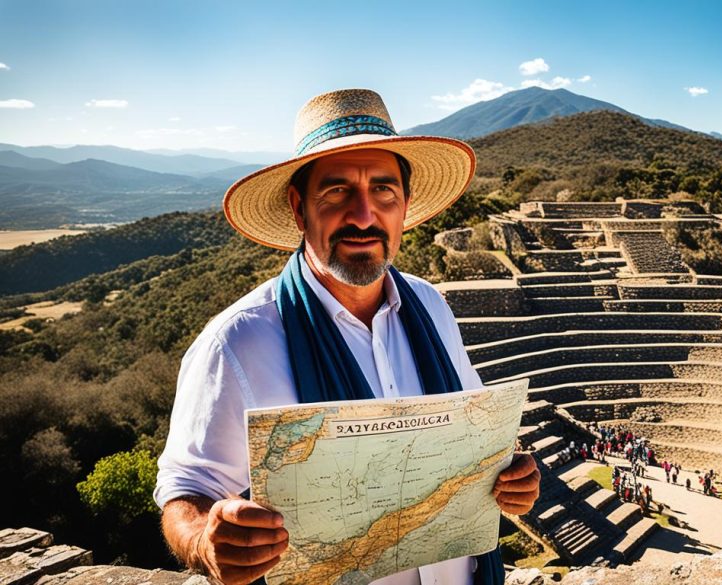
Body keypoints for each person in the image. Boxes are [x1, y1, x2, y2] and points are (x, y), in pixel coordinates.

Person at [153, 89, 540, 585]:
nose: (363, 215)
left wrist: (512, 478)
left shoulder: (434, 308)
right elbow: (185, 487)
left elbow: (476, 440)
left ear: (404, 207)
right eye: (337, 192)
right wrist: (205, 541)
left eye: (384, 191)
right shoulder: (238, 342)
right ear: (299, 208)